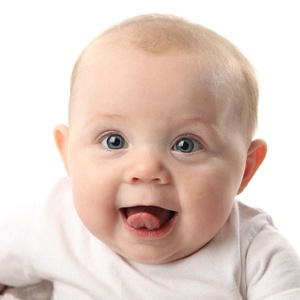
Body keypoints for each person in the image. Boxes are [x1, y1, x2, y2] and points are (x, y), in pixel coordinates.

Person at [1, 13, 300, 300]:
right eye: (114, 141)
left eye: (186, 145)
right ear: (67, 154)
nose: (146, 169)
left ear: (245, 170)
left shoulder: (254, 253)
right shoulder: (53, 222)